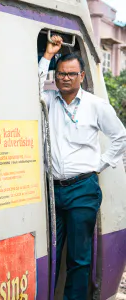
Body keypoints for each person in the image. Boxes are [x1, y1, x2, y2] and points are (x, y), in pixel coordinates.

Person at [39, 35, 126, 299]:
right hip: (53, 190)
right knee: (51, 253)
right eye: (61, 74)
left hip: (82, 189)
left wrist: (99, 165)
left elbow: (120, 136)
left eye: (71, 74)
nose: (65, 78)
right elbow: (27, 86)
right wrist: (47, 56)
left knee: (78, 257)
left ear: (81, 75)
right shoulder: (48, 100)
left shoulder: (95, 105)